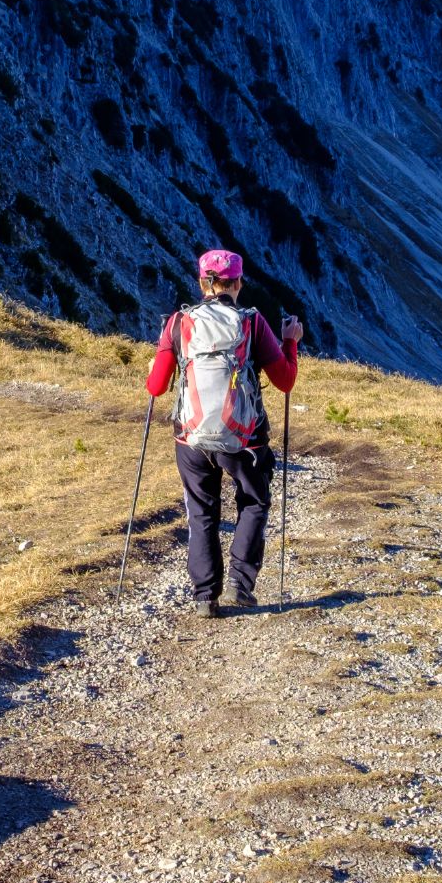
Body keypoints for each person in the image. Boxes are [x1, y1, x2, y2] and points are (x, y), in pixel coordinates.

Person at [146, 249, 303, 617]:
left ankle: (205, 597)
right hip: (243, 439)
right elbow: (285, 381)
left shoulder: (178, 323)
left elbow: (155, 388)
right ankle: (240, 585)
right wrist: (291, 340)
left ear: (203, 283)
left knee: (201, 512)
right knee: (253, 502)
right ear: (238, 283)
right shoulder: (251, 323)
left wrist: (163, 347)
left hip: (191, 437)